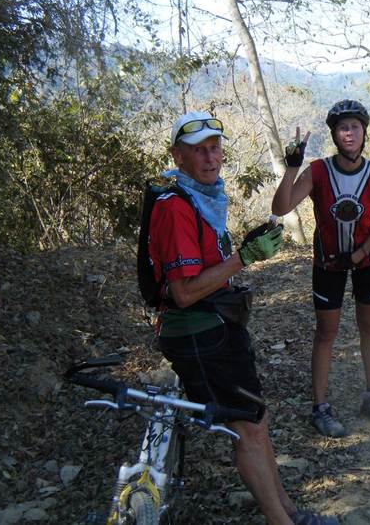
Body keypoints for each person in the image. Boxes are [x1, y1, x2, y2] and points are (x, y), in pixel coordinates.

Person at [149, 111, 338, 525]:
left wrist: (244, 250)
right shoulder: (176, 208)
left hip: (218, 324)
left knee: (257, 418)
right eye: (198, 151)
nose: (209, 157)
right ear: (179, 156)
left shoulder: (203, 195)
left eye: (214, 147)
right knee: (248, 428)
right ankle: (281, 520)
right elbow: (182, 292)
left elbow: (210, 263)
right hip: (198, 333)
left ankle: (288, 509)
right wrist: (245, 257)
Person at [271, 100, 370, 437]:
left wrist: (360, 253)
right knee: (326, 333)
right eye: (343, 128)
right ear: (335, 135)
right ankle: (320, 407)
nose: (350, 133)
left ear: (364, 131)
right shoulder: (318, 171)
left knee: (369, 326)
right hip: (327, 263)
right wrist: (292, 167)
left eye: (355, 126)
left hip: (368, 261)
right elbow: (281, 207)